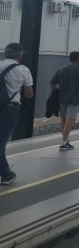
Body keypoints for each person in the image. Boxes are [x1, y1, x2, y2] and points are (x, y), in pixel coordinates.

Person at [0, 43, 34, 186]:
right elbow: (29, 94)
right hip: (10, 109)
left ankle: (6, 173)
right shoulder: (23, 70)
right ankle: (6, 174)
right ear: (19, 55)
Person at [50, 51, 79, 151]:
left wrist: (54, 92)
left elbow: (52, 82)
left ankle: (65, 140)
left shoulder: (61, 70)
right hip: (74, 99)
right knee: (70, 120)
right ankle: (63, 143)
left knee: (63, 119)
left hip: (62, 98)